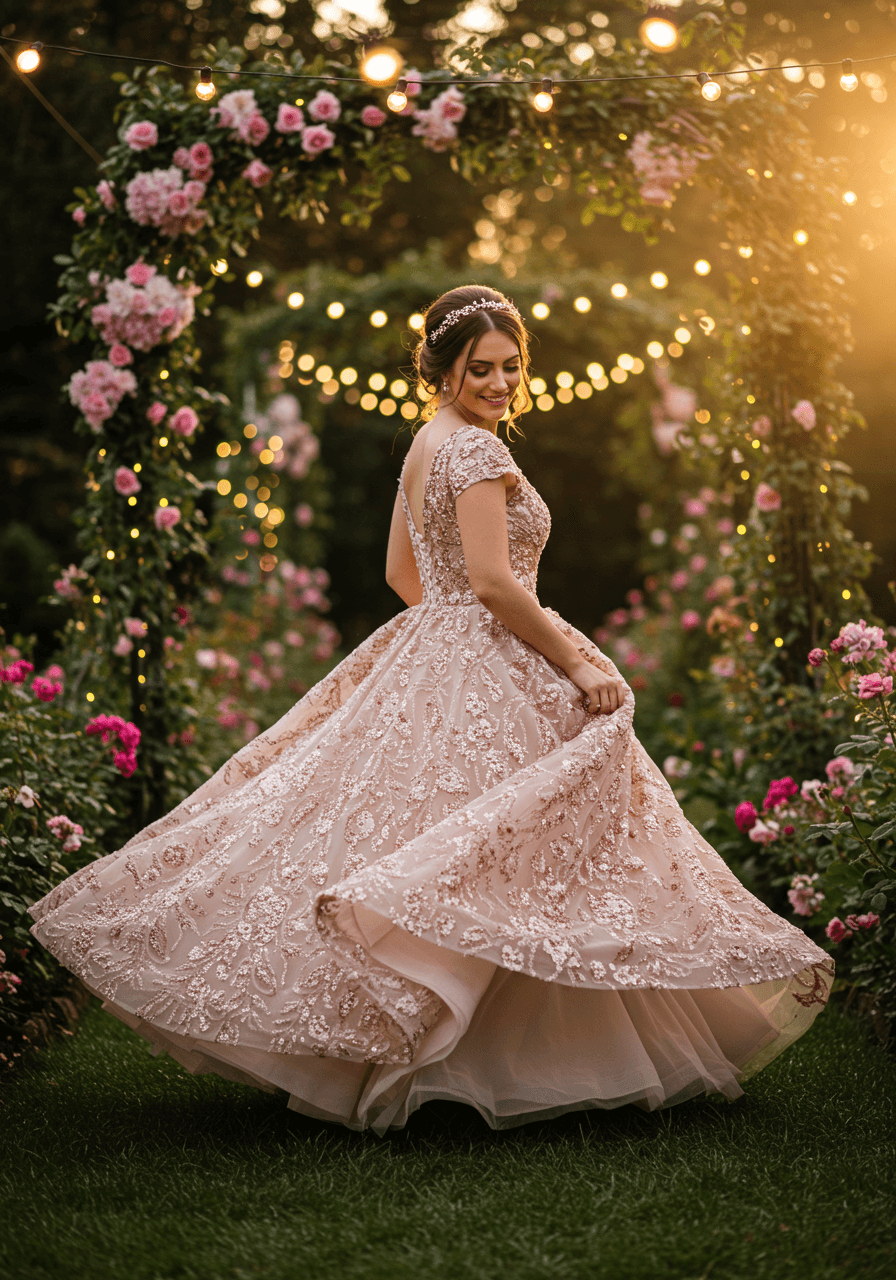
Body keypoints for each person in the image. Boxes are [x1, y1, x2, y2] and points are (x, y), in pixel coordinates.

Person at [30, 285, 833, 1134]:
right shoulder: (478, 454)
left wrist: (451, 627)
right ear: (443, 369)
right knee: (513, 850)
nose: (498, 382)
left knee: (427, 835)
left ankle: (437, 1046)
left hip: (435, 647)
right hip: (483, 650)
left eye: (510, 366)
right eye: (478, 368)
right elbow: (491, 582)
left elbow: (403, 577)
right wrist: (571, 659)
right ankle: (496, 1056)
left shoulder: (426, 443)